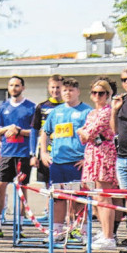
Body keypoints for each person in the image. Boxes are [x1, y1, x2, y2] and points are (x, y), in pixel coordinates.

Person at [38, 78, 92, 241]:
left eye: (71, 90)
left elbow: (94, 136)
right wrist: (43, 153)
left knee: (80, 198)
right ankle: (57, 231)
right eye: (65, 90)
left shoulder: (86, 111)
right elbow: (45, 132)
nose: (68, 93)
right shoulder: (55, 112)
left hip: (77, 162)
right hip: (58, 162)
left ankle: (82, 231)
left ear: (78, 92)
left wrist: (87, 158)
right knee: (58, 198)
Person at [0, 76, 36, 241]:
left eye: (17, 85)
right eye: (11, 85)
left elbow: (35, 132)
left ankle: (20, 224)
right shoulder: (3, 107)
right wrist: (8, 129)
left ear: (23, 87)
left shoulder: (31, 107)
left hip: (23, 153)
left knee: (21, 189)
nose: (14, 88)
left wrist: (19, 131)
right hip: (6, 153)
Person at [81, 77, 120, 251]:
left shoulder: (107, 112)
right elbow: (84, 137)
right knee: (96, 196)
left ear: (108, 94)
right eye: (95, 93)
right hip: (92, 153)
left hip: (104, 154)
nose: (97, 96)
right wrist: (83, 132)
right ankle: (104, 231)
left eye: (101, 93)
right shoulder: (91, 113)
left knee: (104, 195)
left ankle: (109, 236)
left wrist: (82, 131)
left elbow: (88, 132)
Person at [30, 74, 64, 219]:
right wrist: (33, 154)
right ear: (48, 88)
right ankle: (48, 211)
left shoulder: (67, 106)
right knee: (48, 183)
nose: (55, 90)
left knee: (62, 184)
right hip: (45, 151)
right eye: (53, 87)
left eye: (58, 87)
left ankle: (62, 214)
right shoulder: (42, 106)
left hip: (63, 151)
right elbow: (34, 130)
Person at [111, 67, 127, 245]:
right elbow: (114, 130)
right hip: (122, 157)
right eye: (124, 80)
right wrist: (114, 110)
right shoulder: (121, 101)